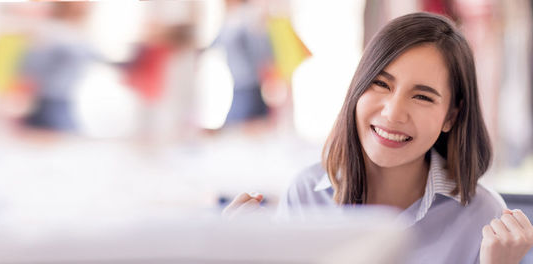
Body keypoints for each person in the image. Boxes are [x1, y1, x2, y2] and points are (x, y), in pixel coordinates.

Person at [223, 12, 533, 263]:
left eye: (423, 97)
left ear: (451, 116)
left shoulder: (484, 215)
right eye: (381, 84)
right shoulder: (306, 194)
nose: (393, 113)